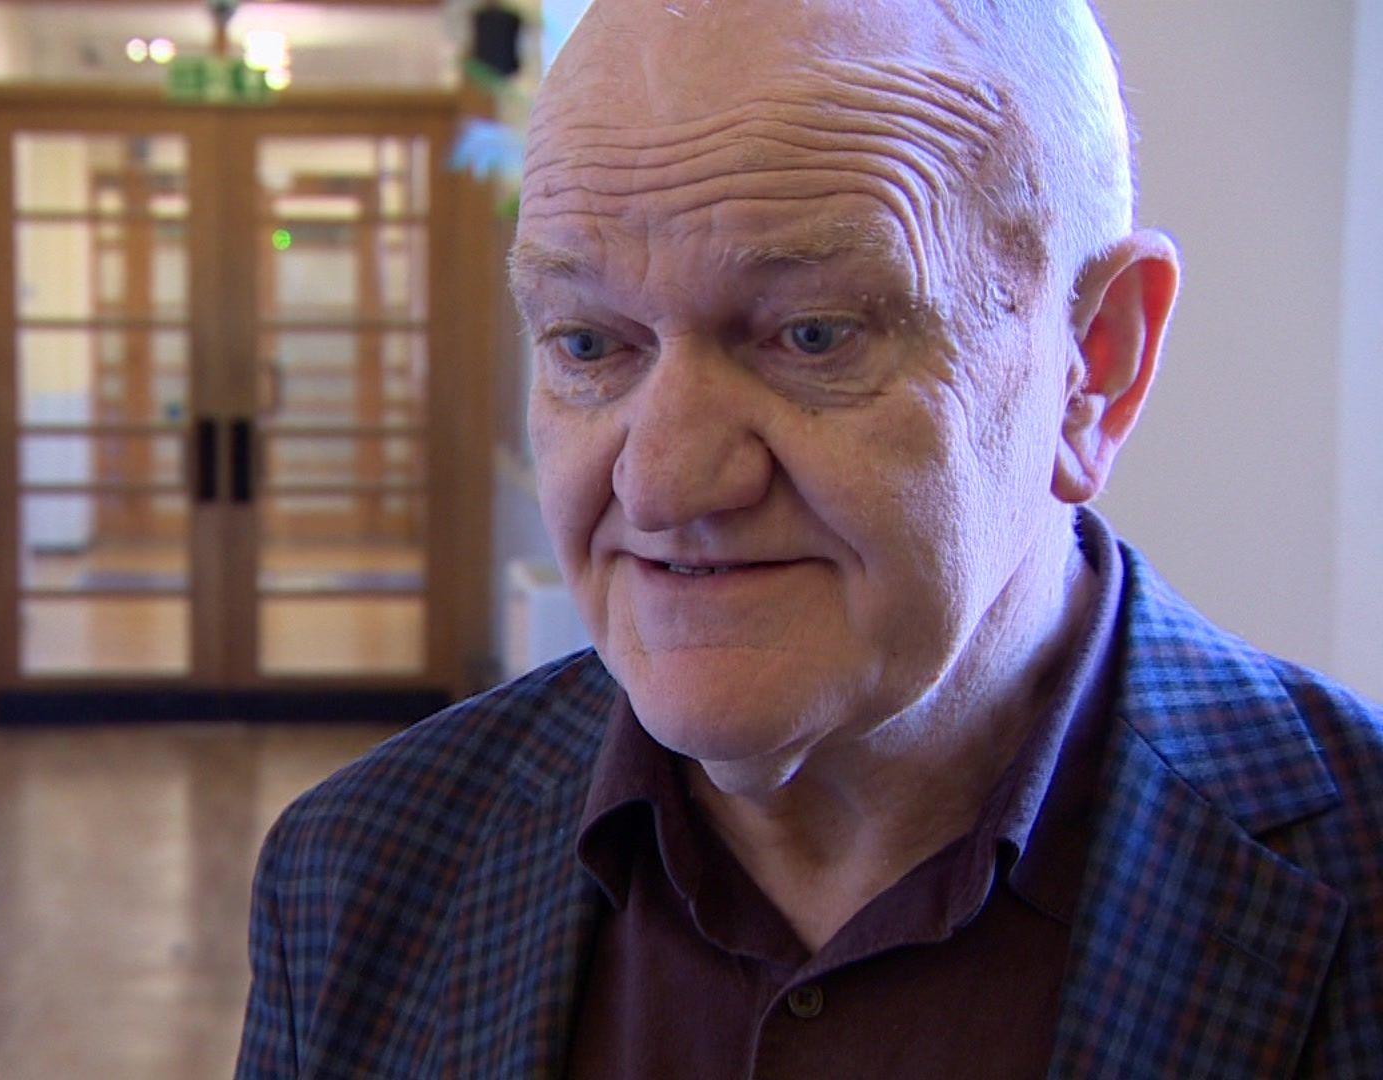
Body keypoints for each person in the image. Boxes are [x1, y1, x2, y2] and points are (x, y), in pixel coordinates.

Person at [236, 0, 1383, 1075]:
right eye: (588, 345)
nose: (667, 479)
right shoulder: (357, 873)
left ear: (1095, 367)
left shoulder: (1361, 881)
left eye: (813, 334)